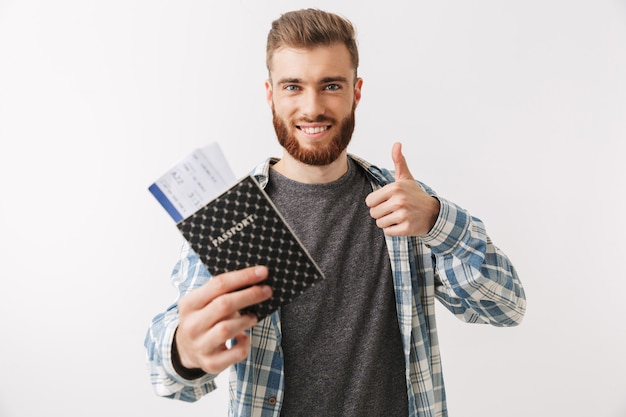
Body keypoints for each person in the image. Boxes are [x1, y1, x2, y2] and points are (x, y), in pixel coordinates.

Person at [144, 8, 526, 417]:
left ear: (355, 92)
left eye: (330, 85)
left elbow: (505, 307)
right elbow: (166, 377)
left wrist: (436, 220)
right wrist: (185, 348)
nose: (312, 108)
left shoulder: (403, 206)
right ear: (270, 93)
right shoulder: (234, 215)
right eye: (293, 86)